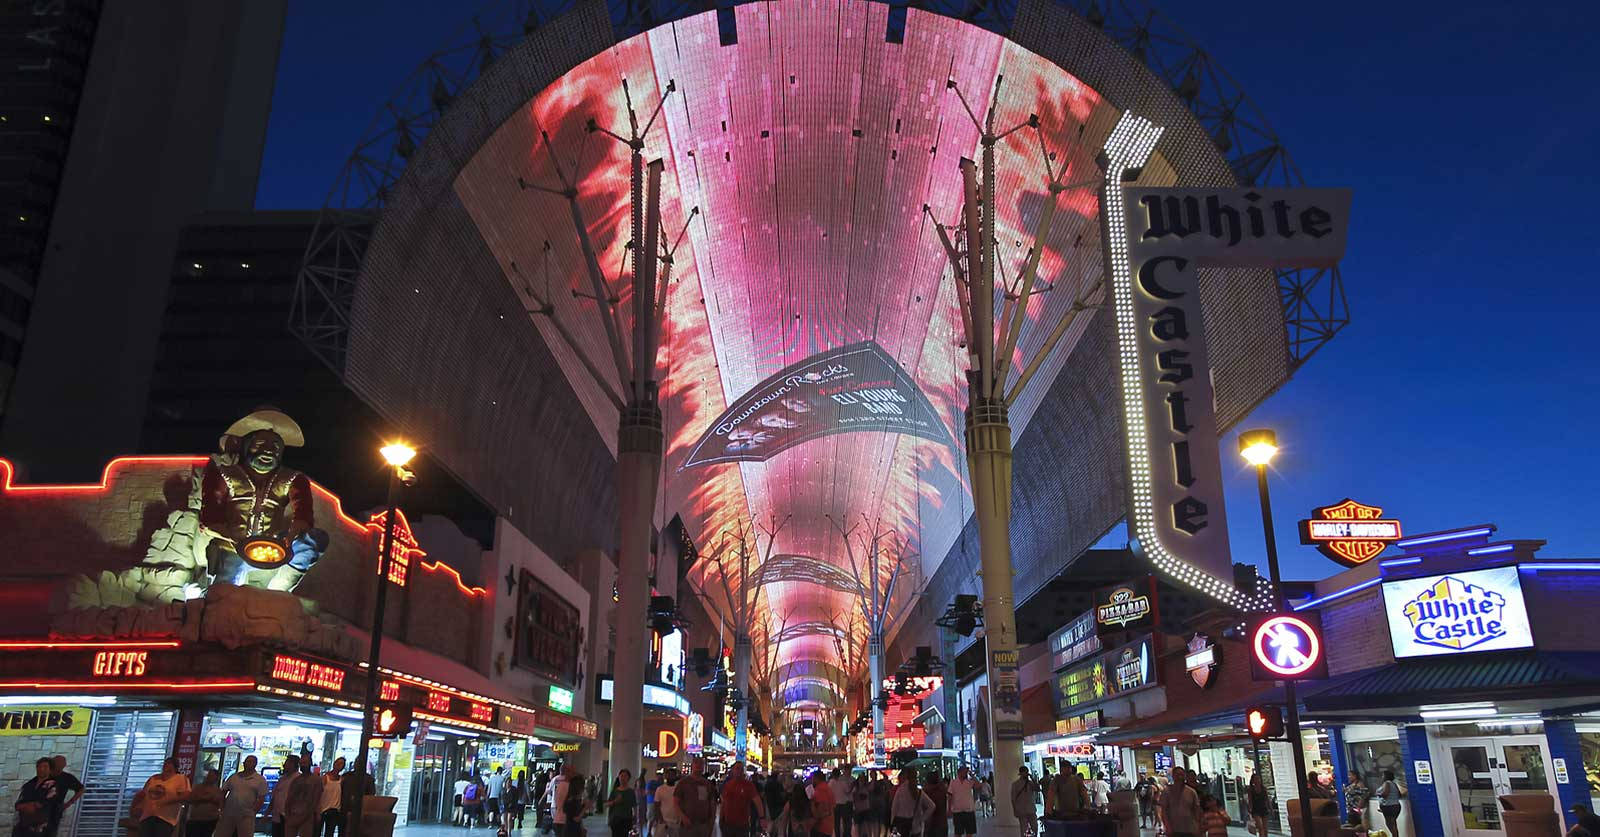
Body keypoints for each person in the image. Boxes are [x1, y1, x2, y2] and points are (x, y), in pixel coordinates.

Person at [216, 756, 270, 837]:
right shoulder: (234, 777)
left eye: (250, 762)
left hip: (246, 814)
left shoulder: (260, 780)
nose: (247, 764)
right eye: (246, 761)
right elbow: (223, 792)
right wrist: (222, 808)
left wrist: (253, 812)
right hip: (229, 813)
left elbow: (261, 798)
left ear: (255, 764)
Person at [138, 758, 192, 837]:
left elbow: (186, 795)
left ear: (175, 767)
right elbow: (143, 793)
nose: (166, 766)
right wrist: (138, 806)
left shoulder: (180, 779)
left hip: (165, 818)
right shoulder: (154, 778)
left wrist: (168, 801)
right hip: (147, 815)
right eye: (165, 764)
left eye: (169, 764)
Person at [13, 758, 61, 837]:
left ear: (50, 770)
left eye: (45, 767)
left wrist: (30, 805)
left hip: (42, 830)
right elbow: (18, 805)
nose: (41, 769)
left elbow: (42, 804)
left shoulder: (53, 785)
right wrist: (31, 805)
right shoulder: (28, 784)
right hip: (23, 828)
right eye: (39, 766)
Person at [284, 757, 326, 837]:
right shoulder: (296, 780)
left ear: (310, 764)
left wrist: (308, 814)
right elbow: (289, 797)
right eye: (301, 763)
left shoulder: (316, 780)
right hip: (293, 814)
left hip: (307, 815)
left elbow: (315, 800)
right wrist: (287, 813)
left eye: (305, 763)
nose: (303, 765)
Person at [675, 759, 716, 837]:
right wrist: (683, 817)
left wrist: (712, 821)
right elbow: (676, 802)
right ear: (692, 766)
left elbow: (712, 803)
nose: (698, 766)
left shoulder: (707, 784)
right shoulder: (683, 783)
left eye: (701, 764)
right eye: (696, 763)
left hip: (703, 824)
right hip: (687, 824)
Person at [45, 756, 82, 837]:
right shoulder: (44, 775)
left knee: (50, 832)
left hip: (55, 810)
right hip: (40, 808)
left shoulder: (66, 778)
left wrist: (69, 803)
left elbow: (81, 789)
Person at [888, 770, 933, 837]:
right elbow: (932, 806)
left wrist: (892, 824)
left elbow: (894, 809)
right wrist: (922, 819)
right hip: (916, 827)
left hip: (902, 826)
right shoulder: (919, 792)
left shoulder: (900, 791)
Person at [1160, 768, 1199, 837]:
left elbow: (1196, 810)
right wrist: (1167, 826)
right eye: (1177, 775)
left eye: (1182, 775)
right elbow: (1164, 811)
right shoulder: (1166, 792)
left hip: (1190, 829)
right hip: (1173, 829)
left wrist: (1197, 826)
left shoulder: (1191, 792)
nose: (1179, 777)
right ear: (1173, 776)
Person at [187, 769, 224, 837]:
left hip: (210, 820)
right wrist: (206, 798)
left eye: (212, 775)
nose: (209, 777)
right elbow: (191, 799)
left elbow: (218, 802)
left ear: (216, 778)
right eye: (208, 775)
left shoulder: (218, 791)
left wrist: (203, 797)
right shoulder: (197, 787)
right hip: (194, 819)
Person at [270, 757, 301, 837]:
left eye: (288, 763)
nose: (285, 765)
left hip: (289, 815)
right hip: (277, 814)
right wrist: (268, 811)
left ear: (294, 765)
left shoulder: (298, 778)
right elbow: (275, 796)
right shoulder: (282, 779)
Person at [318, 758, 345, 837]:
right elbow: (319, 794)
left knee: (329, 833)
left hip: (334, 810)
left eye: (341, 764)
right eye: (337, 763)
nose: (338, 765)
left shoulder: (341, 780)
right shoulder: (325, 778)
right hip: (323, 809)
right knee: (317, 831)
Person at [947, 768, 977, 837]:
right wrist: (949, 809)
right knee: (958, 832)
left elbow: (978, 785)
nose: (965, 773)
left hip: (969, 810)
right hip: (957, 811)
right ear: (959, 773)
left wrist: (972, 775)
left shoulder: (969, 782)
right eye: (964, 772)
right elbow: (950, 796)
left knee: (970, 832)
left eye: (966, 772)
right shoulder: (953, 782)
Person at [606, 769, 637, 837]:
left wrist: (635, 818)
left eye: (625, 776)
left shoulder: (631, 792)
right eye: (621, 776)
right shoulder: (615, 791)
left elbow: (634, 806)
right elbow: (606, 804)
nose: (623, 778)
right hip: (615, 819)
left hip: (627, 819)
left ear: (628, 778)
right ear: (619, 777)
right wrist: (615, 801)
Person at [1009, 768, 1037, 837]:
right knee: (1024, 829)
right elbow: (1013, 799)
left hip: (1031, 809)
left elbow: (1038, 789)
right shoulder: (1015, 784)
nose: (1026, 774)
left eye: (1027, 772)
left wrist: (1033, 778)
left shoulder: (1030, 783)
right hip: (1021, 810)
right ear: (1021, 774)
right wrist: (1014, 810)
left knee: (1035, 827)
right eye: (1025, 773)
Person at [1377, 770, 1405, 837]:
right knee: (1393, 824)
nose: (1382, 777)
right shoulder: (1394, 784)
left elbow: (1385, 794)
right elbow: (1399, 795)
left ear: (1386, 776)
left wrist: (1378, 793)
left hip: (1389, 806)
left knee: (1391, 824)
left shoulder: (1387, 783)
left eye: (1383, 775)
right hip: (1396, 805)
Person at [808, 771, 835, 837]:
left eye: (813, 779)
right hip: (828, 826)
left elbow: (822, 810)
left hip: (821, 828)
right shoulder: (827, 788)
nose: (812, 781)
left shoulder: (821, 790)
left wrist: (812, 821)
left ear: (817, 779)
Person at [829, 769, 853, 837]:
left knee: (836, 823)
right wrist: (852, 786)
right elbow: (848, 791)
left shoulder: (830, 783)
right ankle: (846, 834)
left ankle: (838, 835)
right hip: (843, 804)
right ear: (839, 774)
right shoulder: (843, 782)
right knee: (845, 822)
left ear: (833, 774)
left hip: (835, 805)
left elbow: (829, 793)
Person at [657, 769, 680, 837]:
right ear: (666, 776)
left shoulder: (678, 789)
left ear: (675, 776)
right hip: (663, 821)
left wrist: (679, 819)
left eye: (672, 775)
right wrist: (661, 819)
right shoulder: (660, 789)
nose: (670, 777)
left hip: (675, 821)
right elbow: (657, 805)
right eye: (669, 775)